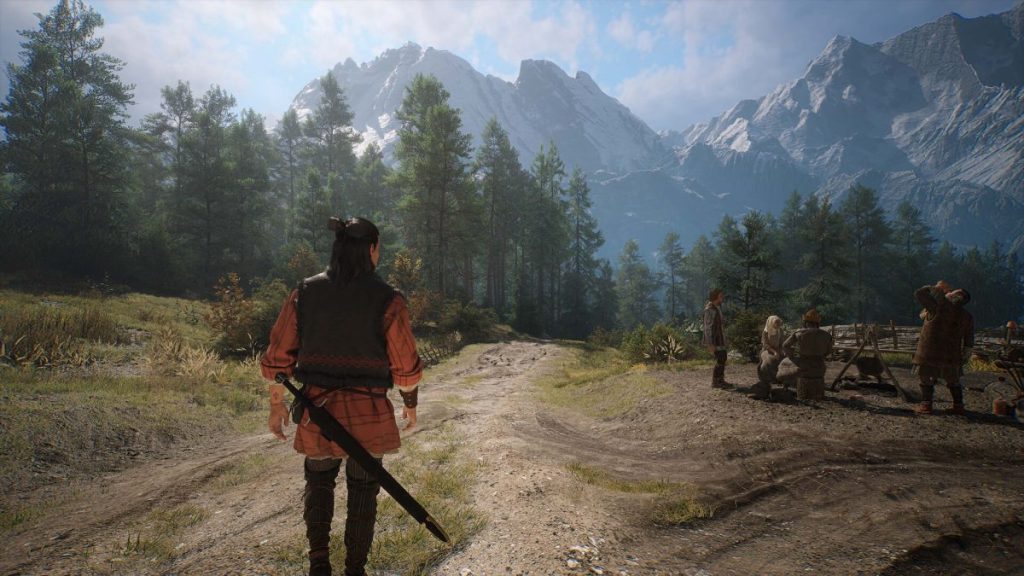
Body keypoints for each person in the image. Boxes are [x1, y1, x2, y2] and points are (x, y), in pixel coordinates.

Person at [260, 217, 423, 576]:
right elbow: (404, 365)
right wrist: (410, 405)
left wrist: (277, 406)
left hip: (318, 410)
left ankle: (319, 565)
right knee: (364, 491)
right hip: (369, 410)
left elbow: (278, 359)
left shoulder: (305, 292)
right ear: (371, 249)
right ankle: (355, 570)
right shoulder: (388, 299)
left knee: (318, 484)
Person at [912, 282, 974, 415]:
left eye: (952, 292)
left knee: (925, 377)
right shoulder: (967, 316)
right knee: (953, 380)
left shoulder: (938, 305)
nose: (948, 292)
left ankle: (926, 406)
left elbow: (919, 294)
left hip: (929, 352)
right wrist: (966, 355)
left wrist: (933, 288)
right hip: (951, 355)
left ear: (956, 297)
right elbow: (969, 340)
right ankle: (958, 406)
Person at [782, 309, 833, 400]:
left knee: (784, 363)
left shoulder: (799, 333)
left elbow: (785, 345)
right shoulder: (827, 335)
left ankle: (786, 387)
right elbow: (829, 351)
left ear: (805, 322)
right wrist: (821, 356)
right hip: (820, 367)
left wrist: (792, 356)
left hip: (803, 366)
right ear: (817, 323)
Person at [703, 288, 731, 388]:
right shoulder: (709, 309)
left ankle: (720, 380)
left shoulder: (717, 307)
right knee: (721, 358)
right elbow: (707, 327)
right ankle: (715, 382)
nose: (722, 297)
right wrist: (710, 343)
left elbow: (720, 323)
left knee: (723, 357)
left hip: (720, 337)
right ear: (715, 297)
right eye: (720, 296)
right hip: (715, 339)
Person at [754, 315, 786, 399]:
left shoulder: (780, 331)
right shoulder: (766, 331)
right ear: (771, 322)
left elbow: (782, 343)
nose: (778, 325)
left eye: (779, 323)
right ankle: (768, 379)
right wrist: (774, 352)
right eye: (776, 323)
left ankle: (781, 378)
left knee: (784, 359)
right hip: (767, 350)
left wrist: (782, 351)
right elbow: (766, 345)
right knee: (770, 360)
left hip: (777, 350)